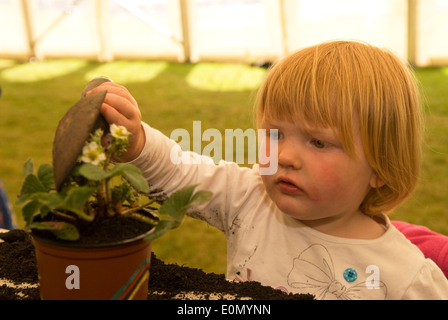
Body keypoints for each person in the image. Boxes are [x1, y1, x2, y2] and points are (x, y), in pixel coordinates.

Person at [87, 40, 448, 299]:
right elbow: (180, 173)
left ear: (380, 166)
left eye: (319, 142)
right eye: (275, 135)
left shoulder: (408, 280)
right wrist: (135, 142)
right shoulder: (249, 198)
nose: (285, 156)